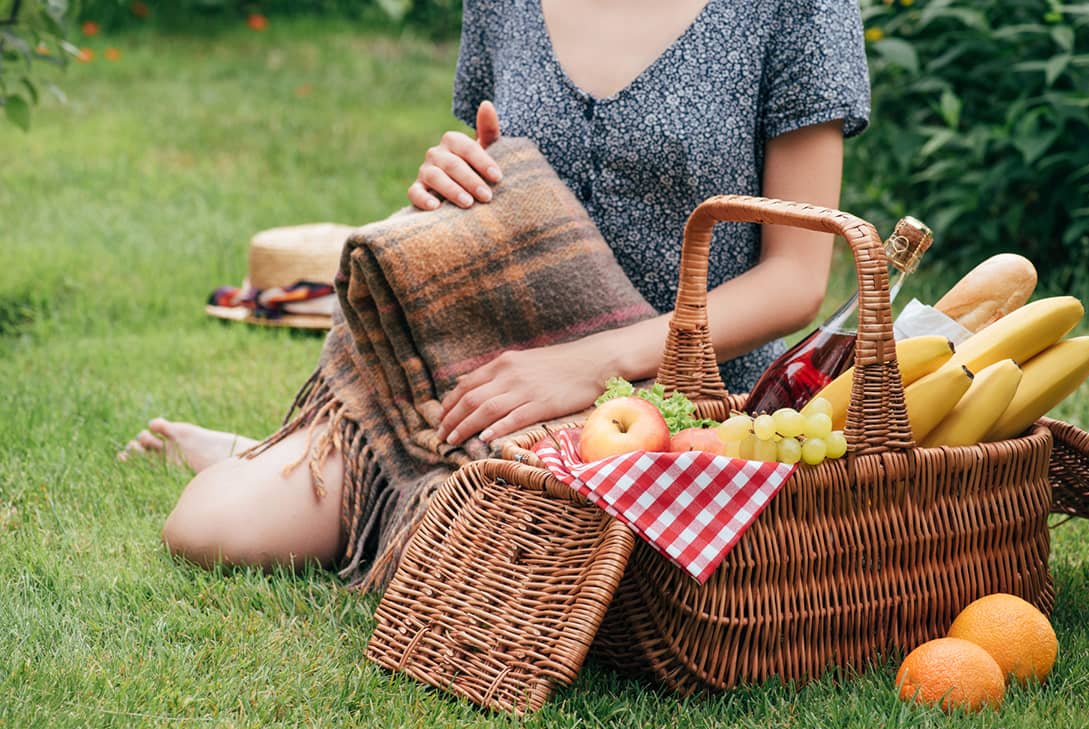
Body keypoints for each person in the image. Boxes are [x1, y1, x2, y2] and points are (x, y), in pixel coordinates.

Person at [123, 0, 871, 576]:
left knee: (548, 574)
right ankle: (294, 454)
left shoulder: (799, 7)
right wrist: (451, 178)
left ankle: (326, 471)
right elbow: (494, 167)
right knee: (212, 527)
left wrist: (590, 365)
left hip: (688, 413)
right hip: (495, 381)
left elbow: (795, 280)